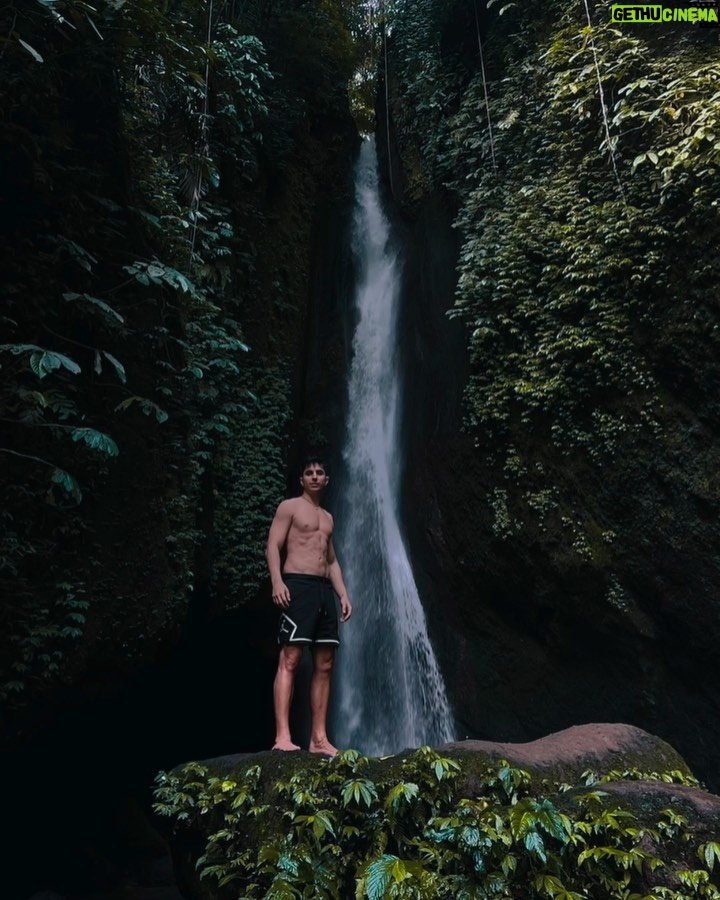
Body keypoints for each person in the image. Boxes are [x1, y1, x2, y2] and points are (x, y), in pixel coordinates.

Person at [266, 458, 352, 755]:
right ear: (301, 479)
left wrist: (343, 594)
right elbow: (273, 545)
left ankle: (318, 739)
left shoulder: (327, 517)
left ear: (326, 480)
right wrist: (277, 582)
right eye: (309, 473)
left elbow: (331, 561)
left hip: (323, 591)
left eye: (320, 472)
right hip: (297, 586)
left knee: (325, 664)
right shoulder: (289, 507)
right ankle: (282, 737)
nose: (315, 476)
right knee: (290, 658)